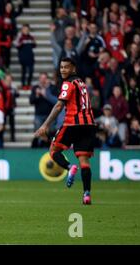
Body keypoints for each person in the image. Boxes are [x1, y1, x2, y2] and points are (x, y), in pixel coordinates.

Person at [34, 57, 96, 205]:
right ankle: (86, 194)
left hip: (73, 123)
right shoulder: (81, 83)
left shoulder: (68, 83)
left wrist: (45, 125)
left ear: (73, 69)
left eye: (66, 67)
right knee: (84, 160)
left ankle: (69, 167)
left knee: (54, 150)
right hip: (89, 124)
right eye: (61, 67)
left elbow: (59, 106)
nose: (63, 70)